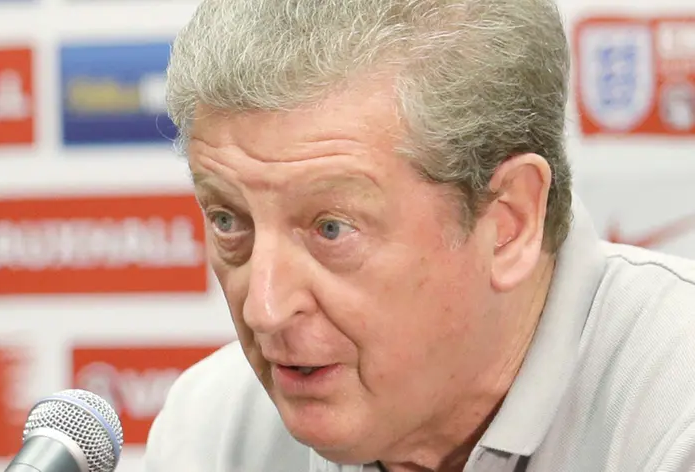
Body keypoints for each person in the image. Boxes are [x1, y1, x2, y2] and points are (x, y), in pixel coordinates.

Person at [143, 0, 695, 471]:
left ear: (510, 222)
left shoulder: (674, 407)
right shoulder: (212, 432)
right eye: (227, 221)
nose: (265, 309)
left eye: (331, 229)